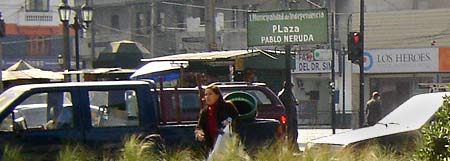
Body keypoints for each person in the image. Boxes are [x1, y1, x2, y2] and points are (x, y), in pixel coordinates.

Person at [194, 85, 239, 149]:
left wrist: (225, 122)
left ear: (217, 96)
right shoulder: (205, 111)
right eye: (206, 95)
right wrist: (199, 133)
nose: (207, 97)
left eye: (210, 94)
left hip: (228, 142)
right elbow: (199, 126)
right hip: (212, 145)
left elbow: (235, 117)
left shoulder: (227, 106)